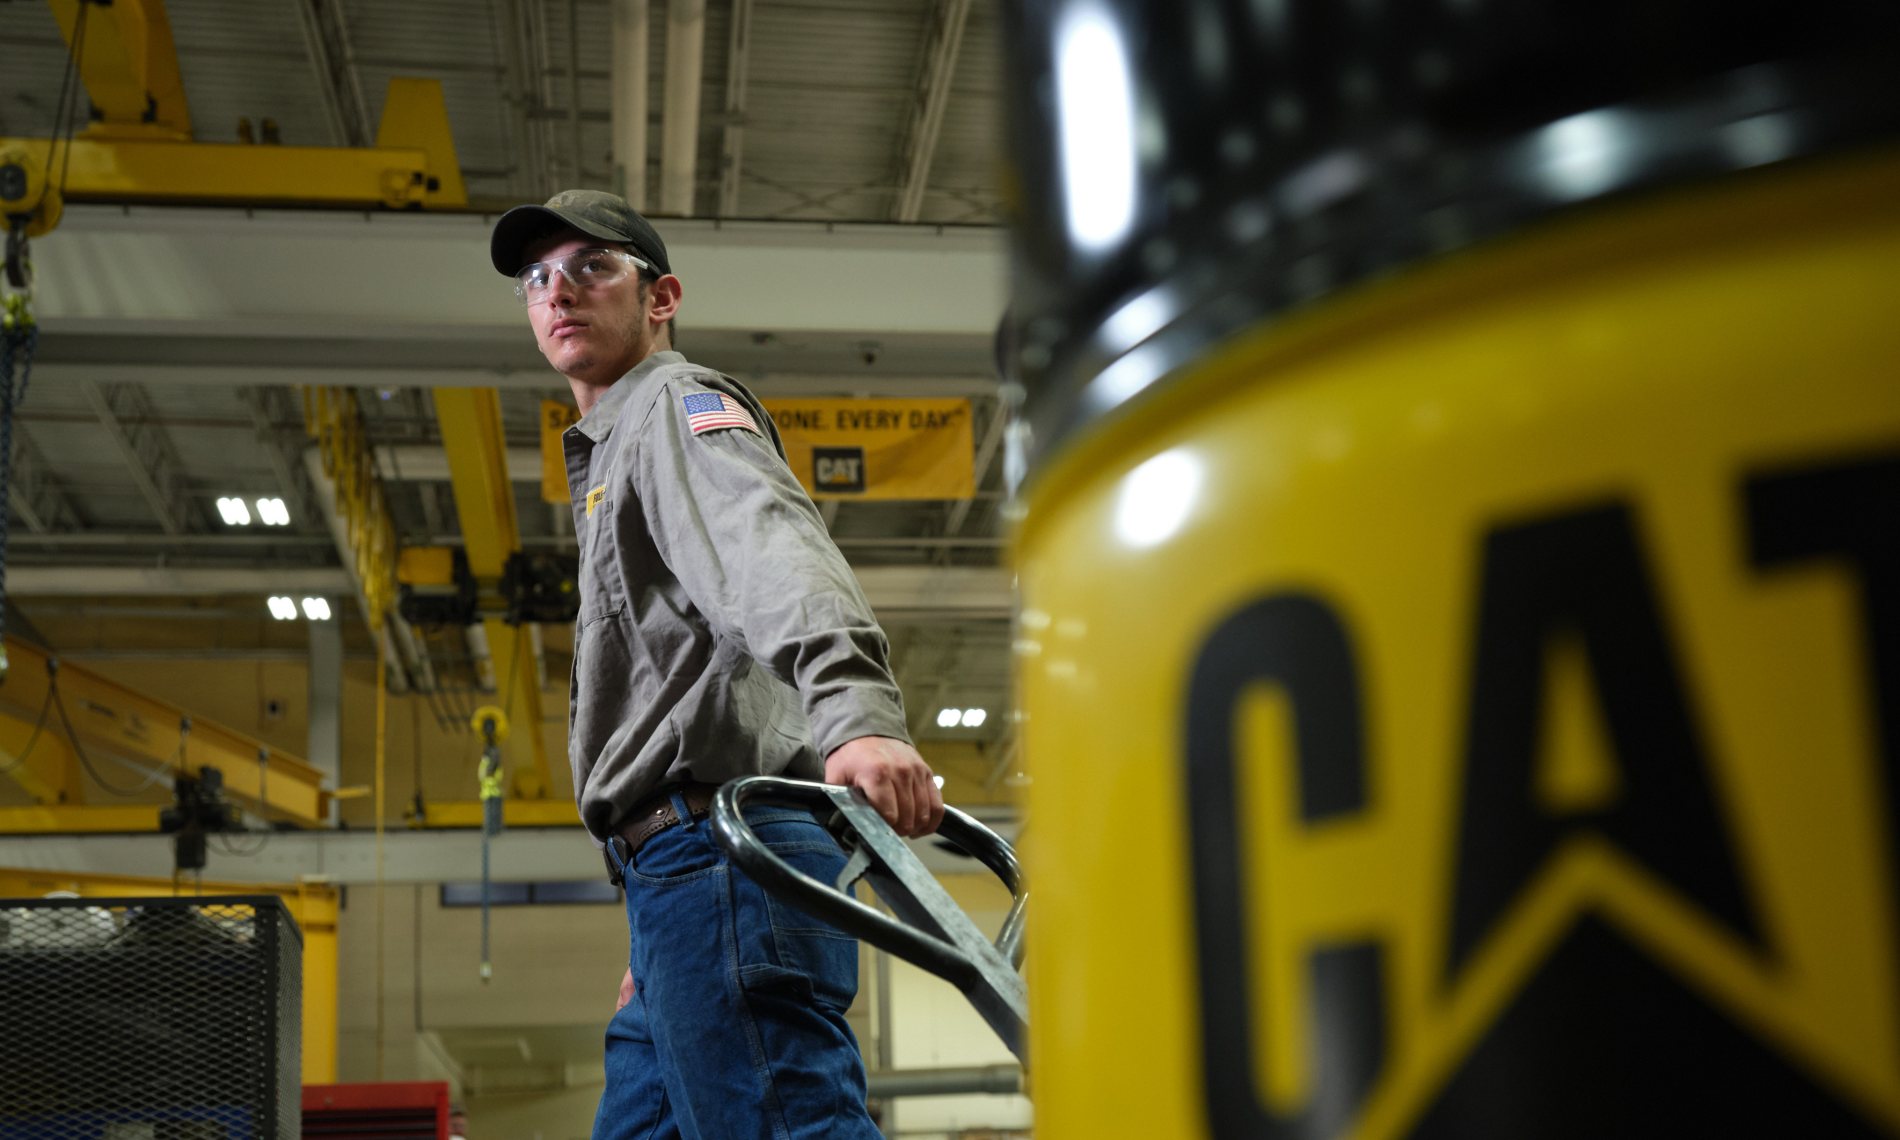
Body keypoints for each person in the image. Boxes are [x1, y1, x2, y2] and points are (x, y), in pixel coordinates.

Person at [489, 190, 943, 1140]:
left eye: (592, 267)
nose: (559, 291)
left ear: (661, 299)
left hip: (723, 858)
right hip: (679, 885)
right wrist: (658, 926)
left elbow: (767, 545)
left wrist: (855, 712)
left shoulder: (673, 407)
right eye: (538, 278)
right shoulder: (615, 447)